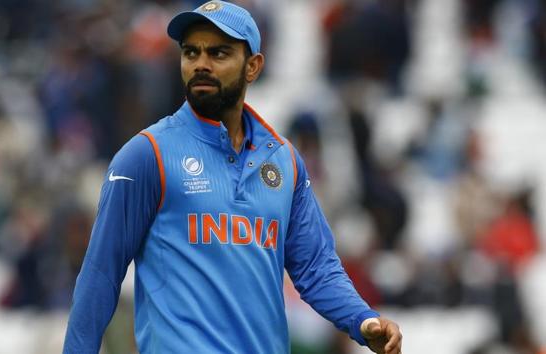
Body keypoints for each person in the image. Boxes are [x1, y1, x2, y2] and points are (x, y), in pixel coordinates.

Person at [63, 1, 402, 353]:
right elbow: (100, 275)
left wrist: (363, 320)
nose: (201, 64)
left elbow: (316, 267)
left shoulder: (284, 160)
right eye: (191, 52)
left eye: (219, 53)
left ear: (252, 66)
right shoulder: (146, 155)